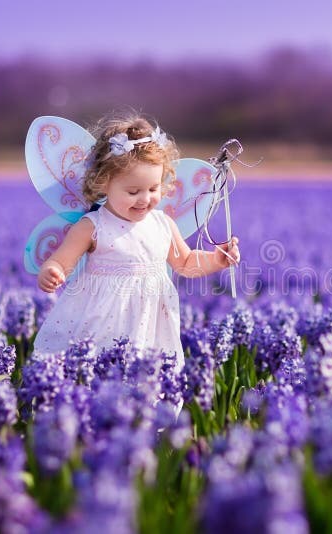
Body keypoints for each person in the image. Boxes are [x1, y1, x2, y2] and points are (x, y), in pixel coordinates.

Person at [32, 111, 240, 394]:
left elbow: (187, 262)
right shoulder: (92, 226)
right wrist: (52, 271)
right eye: (133, 191)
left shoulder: (163, 224)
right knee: (99, 376)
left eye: (153, 188)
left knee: (148, 382)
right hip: (103, 320)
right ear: (104, 183)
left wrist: (217, 260)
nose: (145, 199)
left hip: (150, 322)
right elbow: (61, 261)